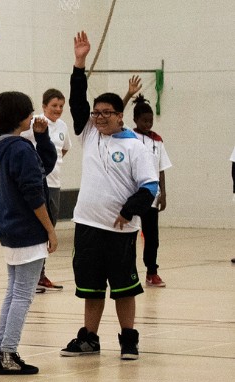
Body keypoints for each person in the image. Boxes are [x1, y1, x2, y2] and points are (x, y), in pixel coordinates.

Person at [61, 31, 159, 361]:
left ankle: (128, 338)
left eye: (106, 113)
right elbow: (77, 100)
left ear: (120, 115)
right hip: (87, 225)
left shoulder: (136, 146)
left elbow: (149, 187)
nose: (99, 117)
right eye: (96, 112)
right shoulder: (89, 134)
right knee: (90, 287)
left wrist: (129, 211)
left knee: (123, 287)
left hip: (120, 231)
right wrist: (79, 63)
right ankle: (89, 338)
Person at [0, 92, 58, 375]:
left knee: (13, 292)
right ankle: (8, 352)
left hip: (8, 226)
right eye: (29, 114)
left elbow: (44, 169)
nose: (33, 118)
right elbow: (34, 193)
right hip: (27, 229)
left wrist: (42, 138)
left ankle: (2, 351)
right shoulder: (20, 149)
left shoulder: (3, 148)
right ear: (20, 117)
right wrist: (50, 230)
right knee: (23, 295)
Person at [123, 79, 173, 287]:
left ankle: (152, 272)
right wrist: (128, 94)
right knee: (129, 236)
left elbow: (161, 168)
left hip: (151, 196)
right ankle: (127, 271)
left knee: (152, 237)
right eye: (144, 120)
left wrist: (163, 193)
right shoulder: (128, 135)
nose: (148, 124)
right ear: (135, 120)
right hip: (132, 195)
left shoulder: (157, 141)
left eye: (150, 120)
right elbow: (118, 113)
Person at [21, 88, 71, 292]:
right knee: (38, 228)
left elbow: (63, 149)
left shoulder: (62, 126)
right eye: (54, 106)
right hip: (38, 184)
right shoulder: (35, 124)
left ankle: (40, 274)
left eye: (61, 106)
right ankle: (31, 275)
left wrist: (52, 164)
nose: (58, 110)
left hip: (55, 183)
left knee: (50, 229)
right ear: (44, 106)